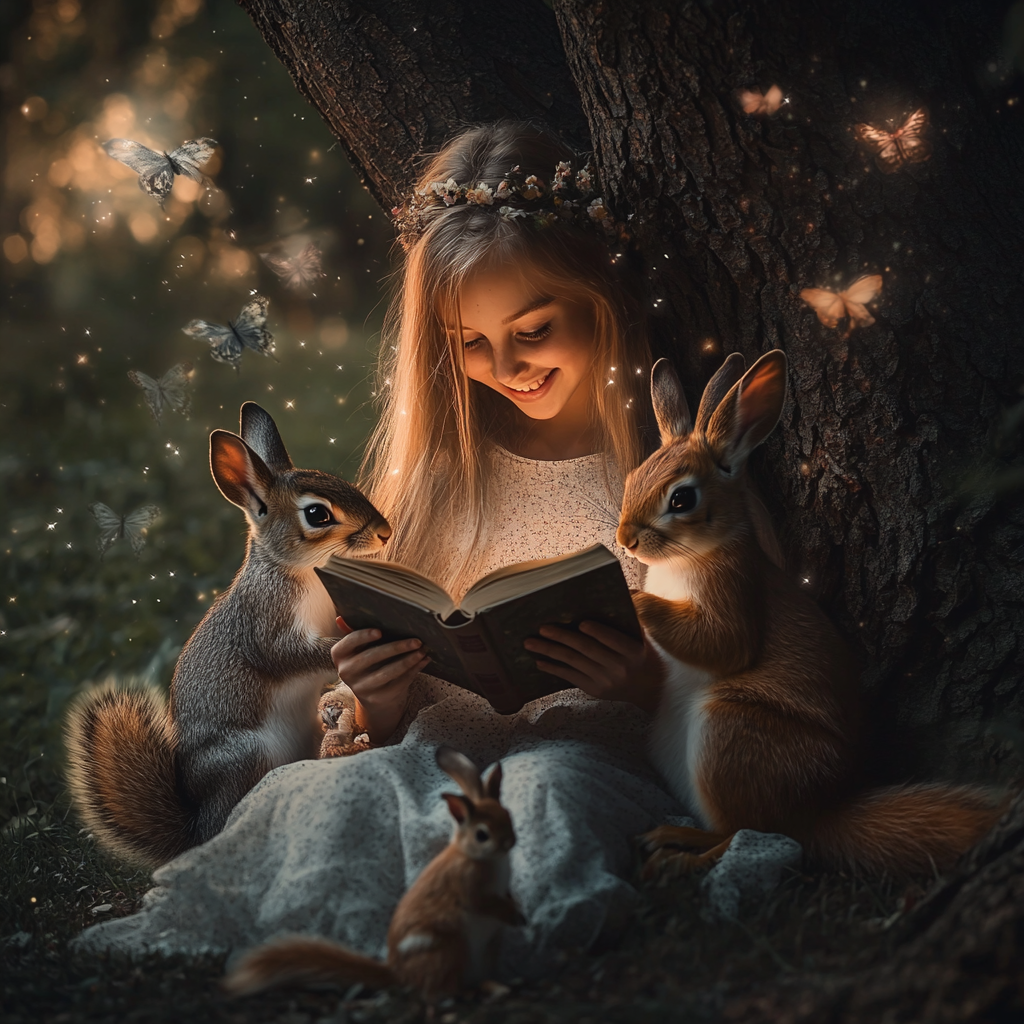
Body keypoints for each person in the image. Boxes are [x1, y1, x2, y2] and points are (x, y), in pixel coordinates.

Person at [73, 122, 688, 976]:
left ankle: (522, 929)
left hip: (589, 750)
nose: (503, 364)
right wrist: (375, 698)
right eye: (469, 342)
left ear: (598, 299)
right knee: (327, 794)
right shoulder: (445, 476)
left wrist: (648, 683)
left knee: (547, 795)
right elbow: (385, 687)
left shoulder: (662, 475)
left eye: (534, 329)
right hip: (434, 752)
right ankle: (338, 925)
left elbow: (728, 663)